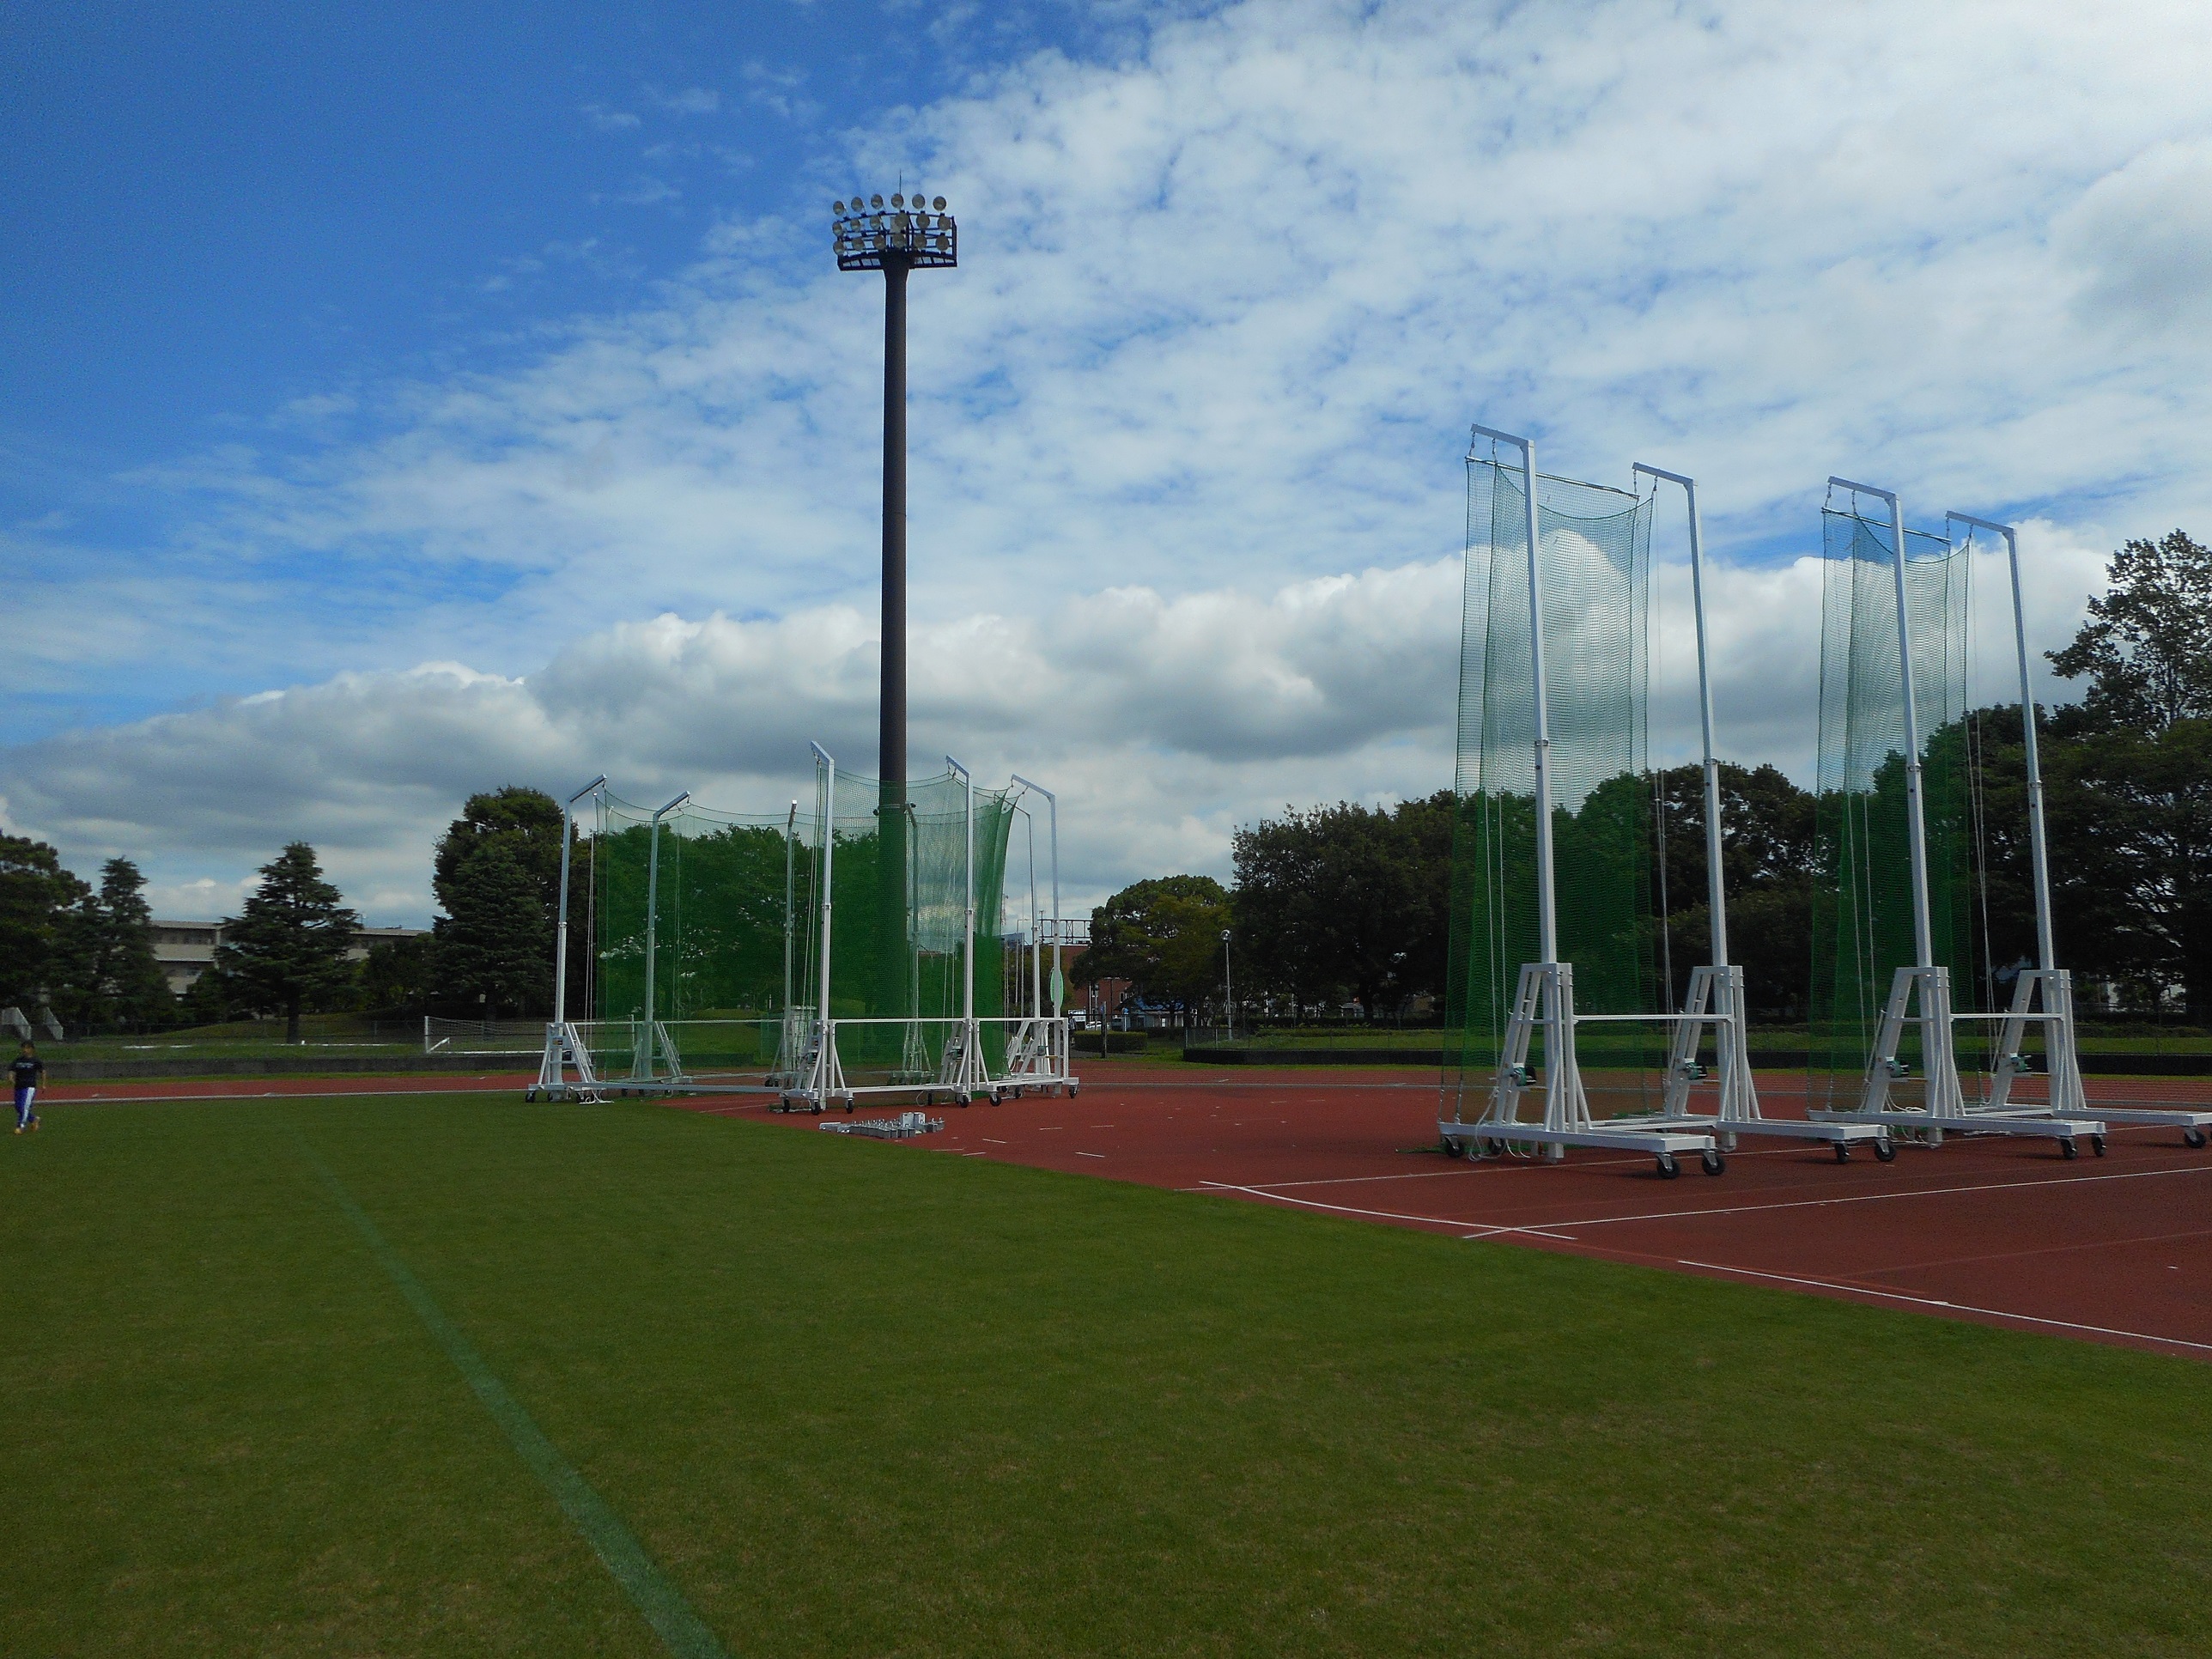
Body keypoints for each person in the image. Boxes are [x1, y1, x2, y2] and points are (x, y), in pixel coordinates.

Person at [11, 1040, 42, 1133]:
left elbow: (42, 1071)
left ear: (32, 1049)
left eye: (27, 1048)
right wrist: (11, 1078)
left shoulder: (35, 1060)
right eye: (24, 1048)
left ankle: (20, 1126)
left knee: (24, 1107)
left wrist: (44, 1084)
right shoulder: (18, 1060)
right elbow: (12, 1070)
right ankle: (33, 1119)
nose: (25, 1050)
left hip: (29, 1086)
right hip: (18, 1085)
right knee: (18, 1106)